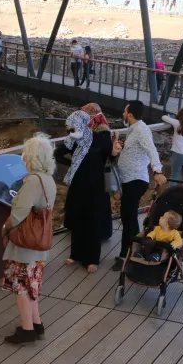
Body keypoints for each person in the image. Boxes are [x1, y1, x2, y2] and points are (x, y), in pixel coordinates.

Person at [2, 134, 56, 344]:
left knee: (21, 285)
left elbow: (19, 212)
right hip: (40, 242)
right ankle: (36, 324)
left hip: (26, 244)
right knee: (32, 284)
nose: (23, 159)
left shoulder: (33, 181)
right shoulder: (48, 179)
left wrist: (5, 227)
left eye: (25, 155)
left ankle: (27, 330)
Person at [111, 101, 167, 271]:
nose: (122, 114)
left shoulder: (141, 130)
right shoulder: (134, 129)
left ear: (130, 114)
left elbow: (151, 150)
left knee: (128, 219)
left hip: (136, 181)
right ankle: (135, 251)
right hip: (130, 180)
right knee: (129, 218)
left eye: (124, 111)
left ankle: (125, 256)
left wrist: (157, 171)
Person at [55, 110, 112, 272]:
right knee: (77, 218)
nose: (70, 132)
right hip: (78, 185)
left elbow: (109, 158)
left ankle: (92, 259)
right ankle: (76, 254)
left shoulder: (100, 138)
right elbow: (57, 154)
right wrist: (72, 163)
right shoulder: (72, 140)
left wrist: (115, 151)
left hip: (96, 187)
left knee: (93, 221)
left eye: (72, 129)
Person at [82, 103, 113, 241]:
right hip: (93, 172)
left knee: (99, 205)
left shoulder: (102, 130)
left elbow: (104, 153)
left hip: (99, 174)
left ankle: (101, 233)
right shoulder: (95, 128)